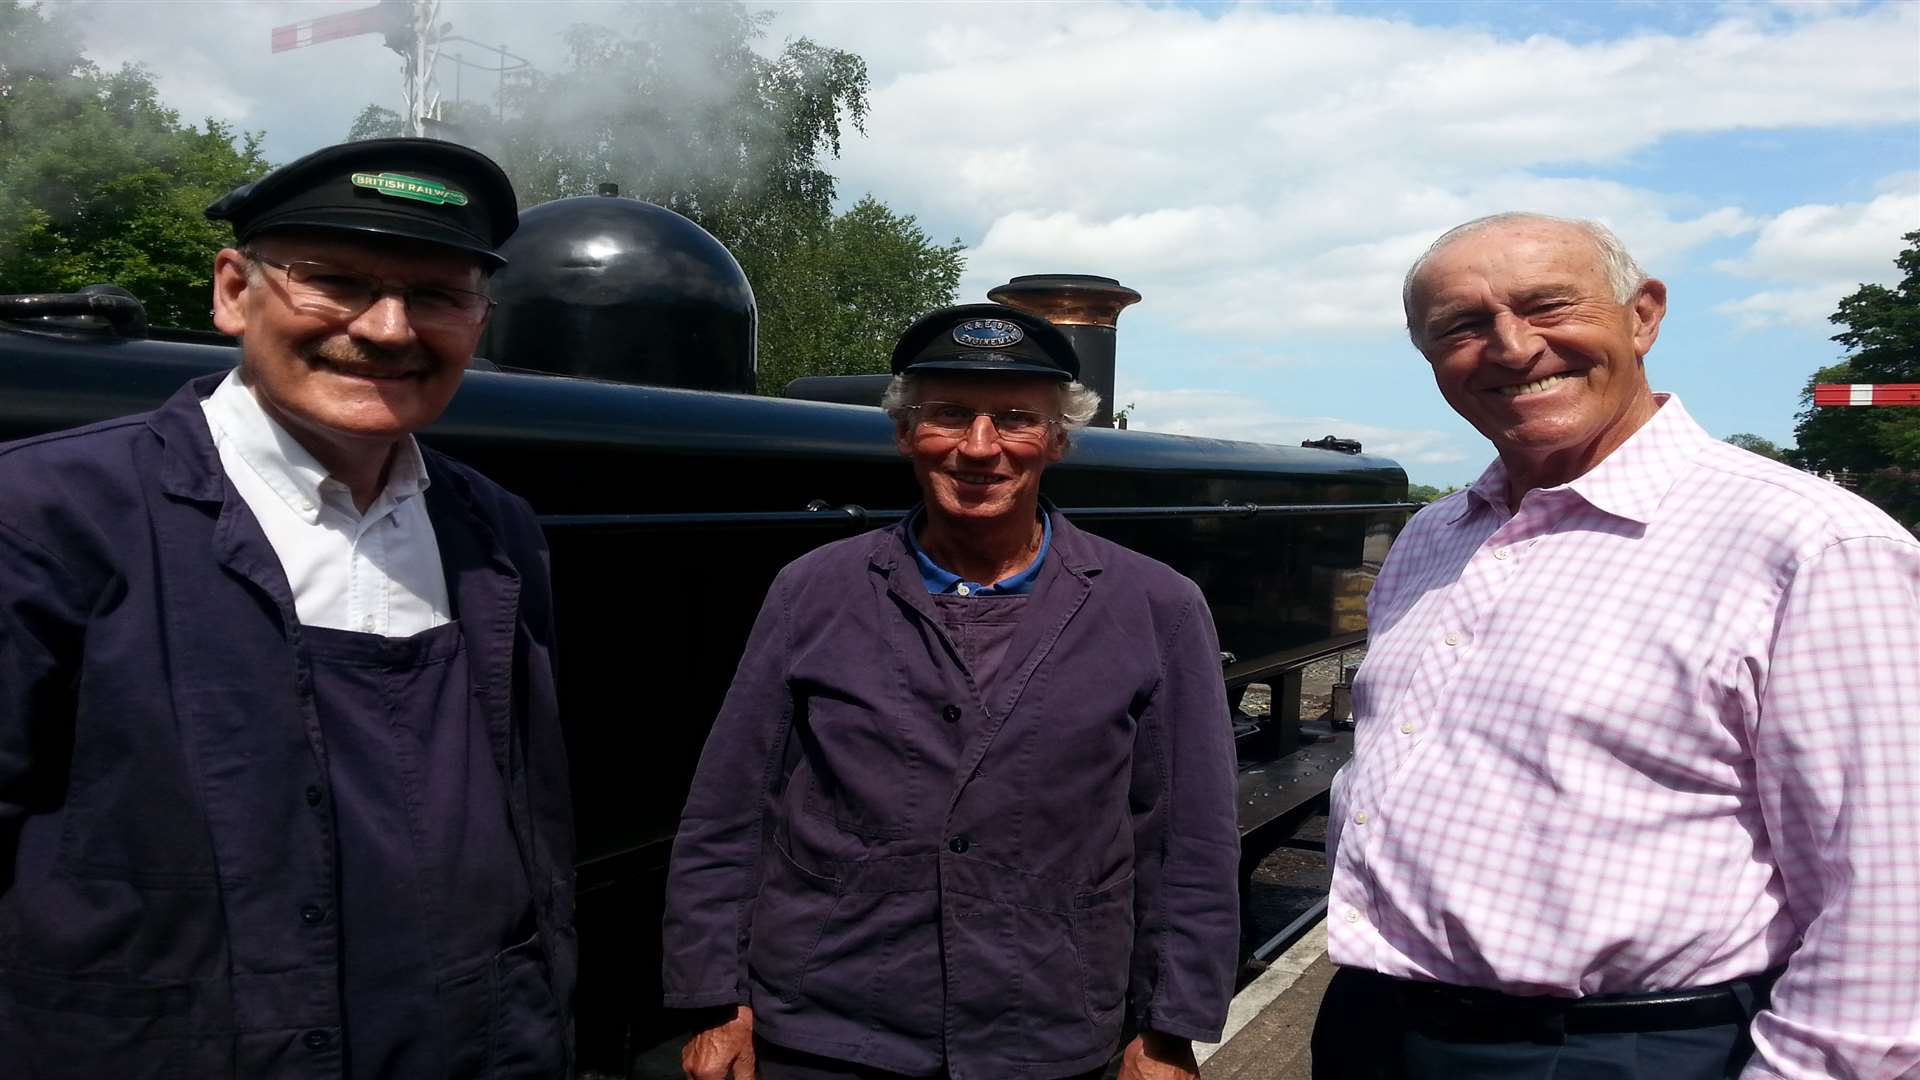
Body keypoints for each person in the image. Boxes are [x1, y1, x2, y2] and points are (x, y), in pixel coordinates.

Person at [0, 138, 575, 1078]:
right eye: (336, 281)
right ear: (234, 290)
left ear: (480, 320)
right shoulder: (46, 516)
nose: (389, 329)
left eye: (435, 296)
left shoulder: (497, 532)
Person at [1313, 212, 1920, 1079]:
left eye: (1549, 306)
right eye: (1463, 327)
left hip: (1618, 1049)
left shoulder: (1813, 547)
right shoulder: (1432, 536)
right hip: (1377, 1025)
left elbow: (1888, 901)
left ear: (1643, 316)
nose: (1514, 348)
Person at [662, 304, 1241, 1080]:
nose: (979, 448)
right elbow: (728, 811)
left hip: (1048, 1026)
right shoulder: (813, 590)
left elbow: (1189, 840)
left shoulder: (1156, 606)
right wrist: (713, 999)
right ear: (905, 433)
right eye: (948, 416)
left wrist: (1168, 1030)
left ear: (1057, 441)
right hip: (830, 1027)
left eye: (1014, 419)